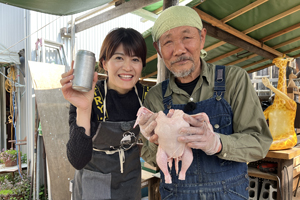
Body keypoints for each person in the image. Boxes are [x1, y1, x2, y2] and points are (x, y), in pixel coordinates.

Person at [139, 6, 273, 200]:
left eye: (187, 37)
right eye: (168, 42)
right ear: (158, 50)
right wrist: (155, 141)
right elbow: (151, 159)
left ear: (202, 38)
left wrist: (217, 143)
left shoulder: (234, 80)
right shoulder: (155, 97)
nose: (178, 50)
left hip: (230, 194)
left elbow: (260, 143)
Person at [60, 27, 149, 200]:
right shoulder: (89, 95)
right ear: (103, 63)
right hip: (93, 183)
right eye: (119, 58)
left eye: (135, 59)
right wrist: (84, 109)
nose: (127, 67)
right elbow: (77, 160)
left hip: (130, 180)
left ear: (142, 65)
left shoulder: (146, 97)